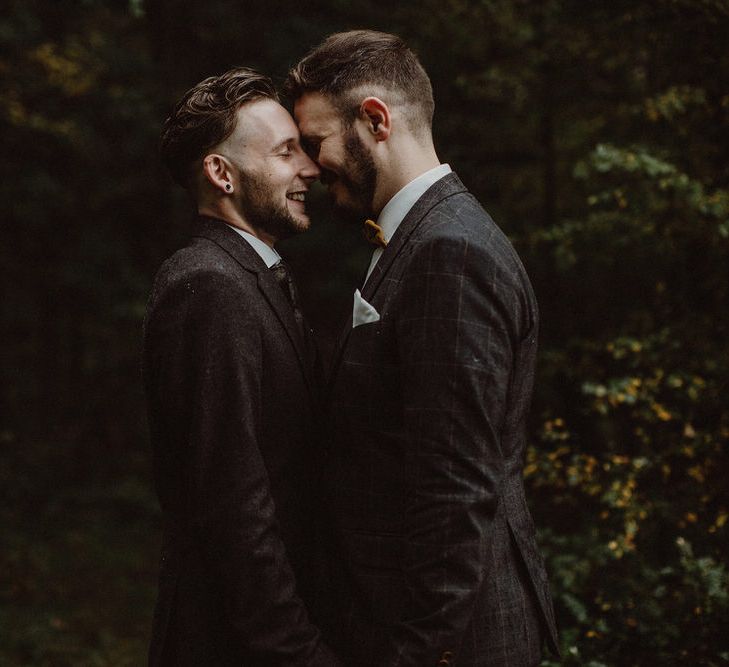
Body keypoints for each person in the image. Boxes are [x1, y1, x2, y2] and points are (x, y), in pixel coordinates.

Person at [287, 30, 560, 667]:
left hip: (453, 642)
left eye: (315, 142)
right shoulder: (420, 236)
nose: (307, 165)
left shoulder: (448, 252)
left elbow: (455, 488)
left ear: (375, 119)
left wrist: (421, 654)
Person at [143, 67, 338, 666]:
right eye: (285, 153)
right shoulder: (207, 284)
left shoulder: (256, 277)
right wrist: (300, 654)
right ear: (221, 173)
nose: (310, 168)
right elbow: (234, 507)